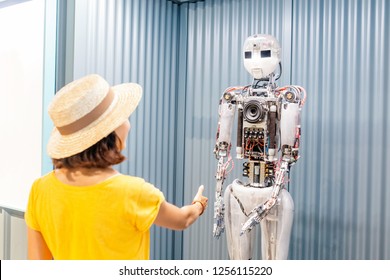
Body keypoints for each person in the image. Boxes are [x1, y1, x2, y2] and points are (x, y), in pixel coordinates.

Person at [25, 74, 208, 260]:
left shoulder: (40, 190)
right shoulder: (133, 192)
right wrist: (198, 205)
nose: (127, 122)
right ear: (109, 134)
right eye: (122, 116)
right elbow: (182, 220)